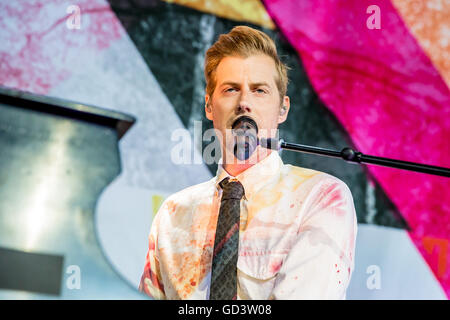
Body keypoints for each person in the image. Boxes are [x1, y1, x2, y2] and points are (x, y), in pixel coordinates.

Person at [139, 25, 357, 300]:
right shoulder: (172, 214)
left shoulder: (321, 196)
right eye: (231, 89)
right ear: (209, 106)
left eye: (259, 90)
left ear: (283, 110)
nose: (244, 102)